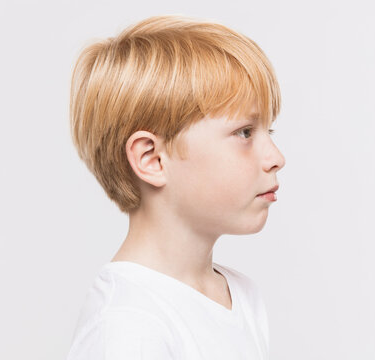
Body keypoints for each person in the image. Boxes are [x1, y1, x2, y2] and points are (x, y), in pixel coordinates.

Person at [66, 14, 286, 360]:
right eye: (245, 132)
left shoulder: (242, 296)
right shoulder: (127, 327)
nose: (276, 157)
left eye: (268, 133)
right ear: (152, 159)